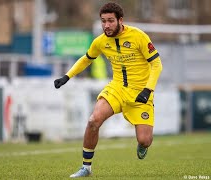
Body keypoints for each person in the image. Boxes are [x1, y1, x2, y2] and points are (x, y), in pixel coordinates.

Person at [54, 2, 163, 178]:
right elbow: (86, 59)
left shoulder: (138, 36)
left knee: (145, 140)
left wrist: (148, 90)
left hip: (141, 94)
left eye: (110, 21)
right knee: (93, 120)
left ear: (120, 20)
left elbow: (156, 64)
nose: (106, 25)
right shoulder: (101, 41)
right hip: (117, 89)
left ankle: (142, 145)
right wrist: (66, 76)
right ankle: (86, 167)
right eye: (103, 21)